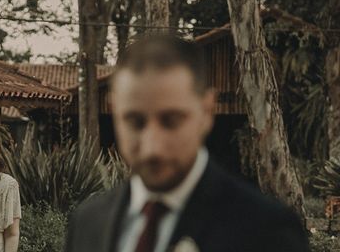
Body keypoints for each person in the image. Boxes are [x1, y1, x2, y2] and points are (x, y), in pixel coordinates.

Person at [65, 34, 309, 252]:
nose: (153, 147)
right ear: (115, 109)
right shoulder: (87, 223)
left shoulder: (268, 232)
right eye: (135, 122)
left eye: (171, 121)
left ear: (206, 111)